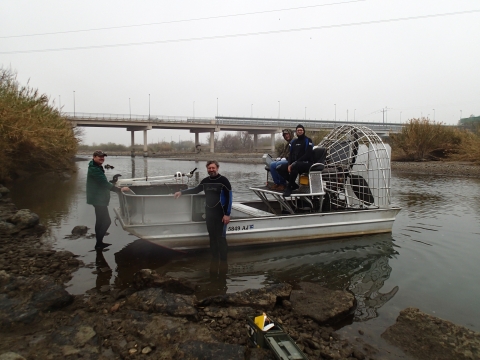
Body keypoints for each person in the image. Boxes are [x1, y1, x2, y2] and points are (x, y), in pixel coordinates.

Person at [174, 160, 232, 260]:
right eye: (209, 168)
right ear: (207, 169)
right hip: (209, 213)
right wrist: (182, 192)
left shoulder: (224, 181)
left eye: (213, 168)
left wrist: (227, 214)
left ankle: (223, 262)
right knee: (212, 237)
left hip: (221, 214)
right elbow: (196, 190)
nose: (211, 170)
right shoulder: (205, 181)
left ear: (217, 168)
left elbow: (229, 198)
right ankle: (214, 260)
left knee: (221, 238)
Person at [86, 150, 129, 250]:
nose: (102, 158)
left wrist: (112, 182)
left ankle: (99, 243)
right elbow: (104, 184)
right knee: (106, 221)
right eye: (100, 157)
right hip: (98, 199)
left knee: (100, 221)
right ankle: (98, 244)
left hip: (97, 197)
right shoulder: (95, 169)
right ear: (94, 157)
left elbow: (102, 181)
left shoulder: (95, 166)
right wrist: (120, 190)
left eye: (103, 157)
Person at [283, 124, 314, 197]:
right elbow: (290, 154)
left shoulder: (308, 140)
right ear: (296, 132)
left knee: (295, 166)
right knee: (279, 167)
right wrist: (288, 165)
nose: (299, 131)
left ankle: (289, 187)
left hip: (307, 163)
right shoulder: (293, 142)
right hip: (295, 164)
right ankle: (293, 185)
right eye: (298, 130)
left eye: (301, 130)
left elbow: (308, 154)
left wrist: (295, 163)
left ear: (303, 131)